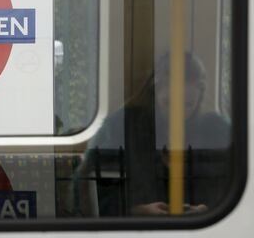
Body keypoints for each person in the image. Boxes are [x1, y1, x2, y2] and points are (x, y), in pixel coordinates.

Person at [72, 53, 230, 216]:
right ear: (155, 93)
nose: (177, 112)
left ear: (200, 97)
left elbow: (234, 190)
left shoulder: (217, 133)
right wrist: (134, 210)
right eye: (168, 102)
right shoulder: (122, 127)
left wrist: (208, 211)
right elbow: (84, 188)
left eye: (188, 104)